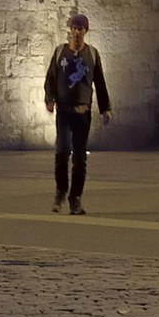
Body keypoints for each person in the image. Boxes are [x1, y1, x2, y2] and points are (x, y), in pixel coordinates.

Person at [44, 12, 111, 213]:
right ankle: (61, 190)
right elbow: (50, 79)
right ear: (70, 30)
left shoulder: (91, 54)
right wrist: (49, 98)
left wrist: (105, 107)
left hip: (83, 112)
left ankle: (76, 198)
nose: (77, 33)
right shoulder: (60, 52)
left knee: (80, 157)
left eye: (80, 29)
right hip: (64, 111)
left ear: (86, 31)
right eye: (74, 28)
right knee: (62, 151)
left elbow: (99, 81)